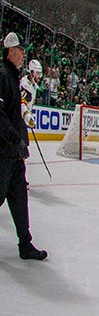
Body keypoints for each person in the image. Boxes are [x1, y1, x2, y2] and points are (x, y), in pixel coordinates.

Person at [0, 32, 46, 260]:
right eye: (20, 50)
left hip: (13, 154)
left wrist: (20, 141)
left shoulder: (14, 77)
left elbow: (15, 111)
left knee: (19, 198)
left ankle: (25, 244)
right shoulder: (2, 75)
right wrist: (15, 140)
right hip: (3, 152)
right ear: (10, 51)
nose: (23, 54)